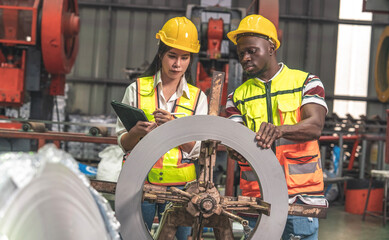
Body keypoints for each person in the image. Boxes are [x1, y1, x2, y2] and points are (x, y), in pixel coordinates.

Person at [225, 15, 328, 240]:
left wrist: (281, 130)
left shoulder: (306, 82)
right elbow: (235, 142)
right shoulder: (236, 98)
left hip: (300, 199)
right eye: (241, 53)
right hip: (256, 200)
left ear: (271, 47)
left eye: (252, 50)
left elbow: (315, 126)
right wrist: (234, 148)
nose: (245, 57)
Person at [115, 16, 208, 239]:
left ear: (190, 59)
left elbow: (199, 149)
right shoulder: (136, 90)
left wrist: (175, 128)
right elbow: (122, 143)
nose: (177, 64)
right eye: (172, 56)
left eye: (184, 58)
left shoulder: (197, 98)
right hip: (139, 184)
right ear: (161, 55)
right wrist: (136, 132)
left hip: (181, 189)